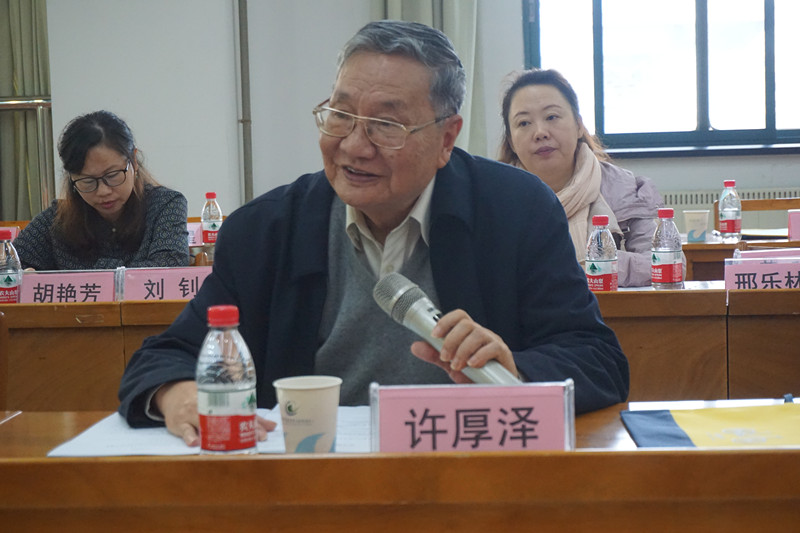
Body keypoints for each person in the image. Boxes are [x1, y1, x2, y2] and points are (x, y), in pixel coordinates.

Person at [118, 20, 629, 447]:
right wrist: (178, 393)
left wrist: (514, 369)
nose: (354, 146)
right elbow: (163, 357)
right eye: (340, 116)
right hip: (311, 485)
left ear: (447, 137)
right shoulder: (265, 230)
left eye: (387, 125)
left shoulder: (517, 210)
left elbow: (598, 361)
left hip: (468, 477)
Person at [498, 68, 664, 287]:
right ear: (511, 141)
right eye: (524, 123)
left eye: (551, 117)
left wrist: (593, 264)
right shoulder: (496, 198)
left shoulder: (623, 188)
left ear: (578, 126)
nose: (540, 132)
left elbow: (665, 264)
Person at [13, 110, 189, 270]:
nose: (103, 191)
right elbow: (9, 265)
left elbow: (170, 267)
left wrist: (97, 273)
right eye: (87, 181)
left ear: (134, 161)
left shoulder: (164, 205)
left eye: (112, 175)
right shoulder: (56, 220)